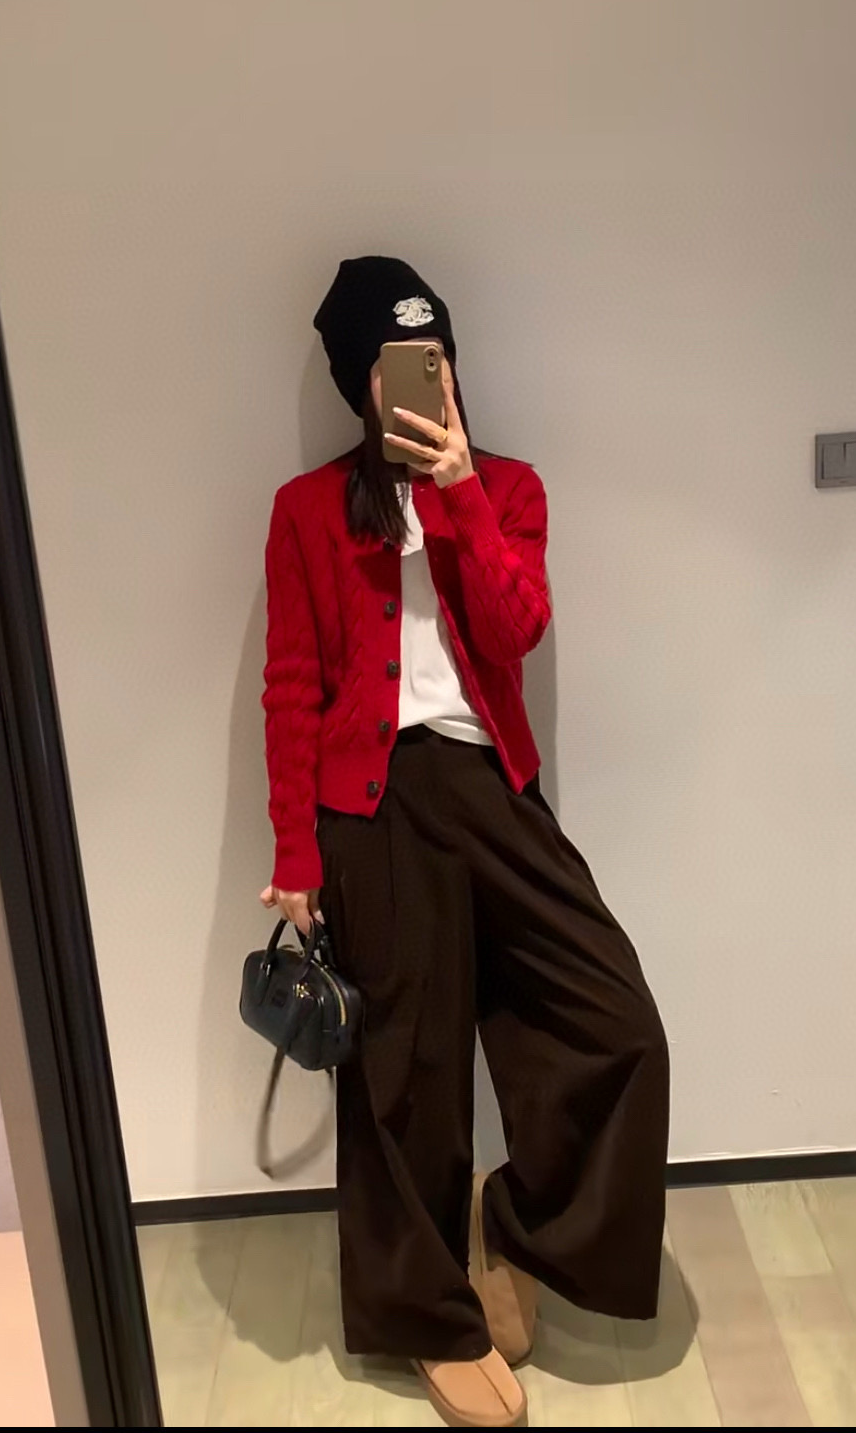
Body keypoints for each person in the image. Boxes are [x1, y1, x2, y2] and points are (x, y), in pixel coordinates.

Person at [261, 257, 669, 1429]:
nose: (425, 380)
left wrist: (460, 490)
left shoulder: (511, 486)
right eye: (398, 364)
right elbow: (292, 684)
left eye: (436, 356)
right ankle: (429, 1316)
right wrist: (295, 853)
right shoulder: (304, 509)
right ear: (360, 381)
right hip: (372, 806)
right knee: (406, 1072)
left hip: (493, 788)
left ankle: (519, 1225)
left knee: (616, 1024)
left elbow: (516, 626)